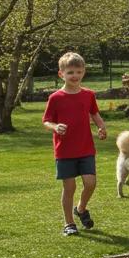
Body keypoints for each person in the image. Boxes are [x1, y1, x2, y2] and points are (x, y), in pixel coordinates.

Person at [43, 51, 108, 236]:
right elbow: (46, 121)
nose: (75, 76)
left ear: (83, 72)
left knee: (90, 182)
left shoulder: (88, 95)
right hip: (64, 150)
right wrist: (55, 127)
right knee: (69, 187)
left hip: (86, 147)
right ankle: (69, 223)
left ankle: (80, 209)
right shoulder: (55, 98)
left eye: (78, 72)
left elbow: (95, 114)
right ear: (61, 74)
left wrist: (101, 127)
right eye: (70, 72)